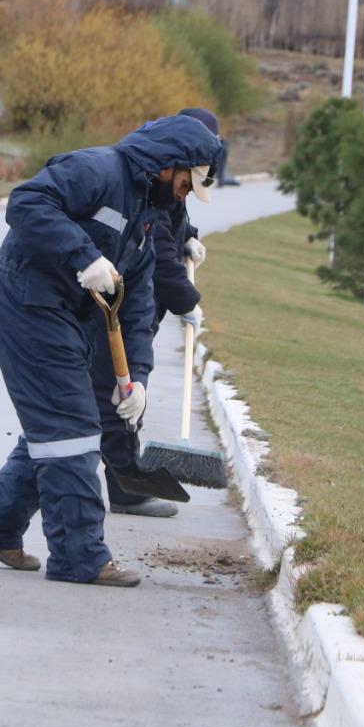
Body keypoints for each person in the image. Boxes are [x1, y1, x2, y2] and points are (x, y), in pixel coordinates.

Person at [0, 115, 221, 588]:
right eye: (186, 184)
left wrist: (136, 377)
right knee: (71, 426)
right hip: (26, 299)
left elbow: (137, 307)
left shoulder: (147, 213)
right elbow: (26, 201)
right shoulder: (99, 169)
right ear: (168, 165)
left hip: (71, 314)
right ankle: (80, 557)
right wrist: (85, 255)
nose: (184, 194)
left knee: (70, 423)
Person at [101, 107, 217, 519]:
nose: (187, 189)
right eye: (190, 180)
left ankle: (117, 482)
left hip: (134, 305)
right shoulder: (149, 180)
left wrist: (191, 239)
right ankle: (125, 487)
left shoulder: (168, 180)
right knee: (116, 395)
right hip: (126, 304)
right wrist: (189, 301)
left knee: (110, 397)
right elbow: (161, 258)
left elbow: (175, 223)